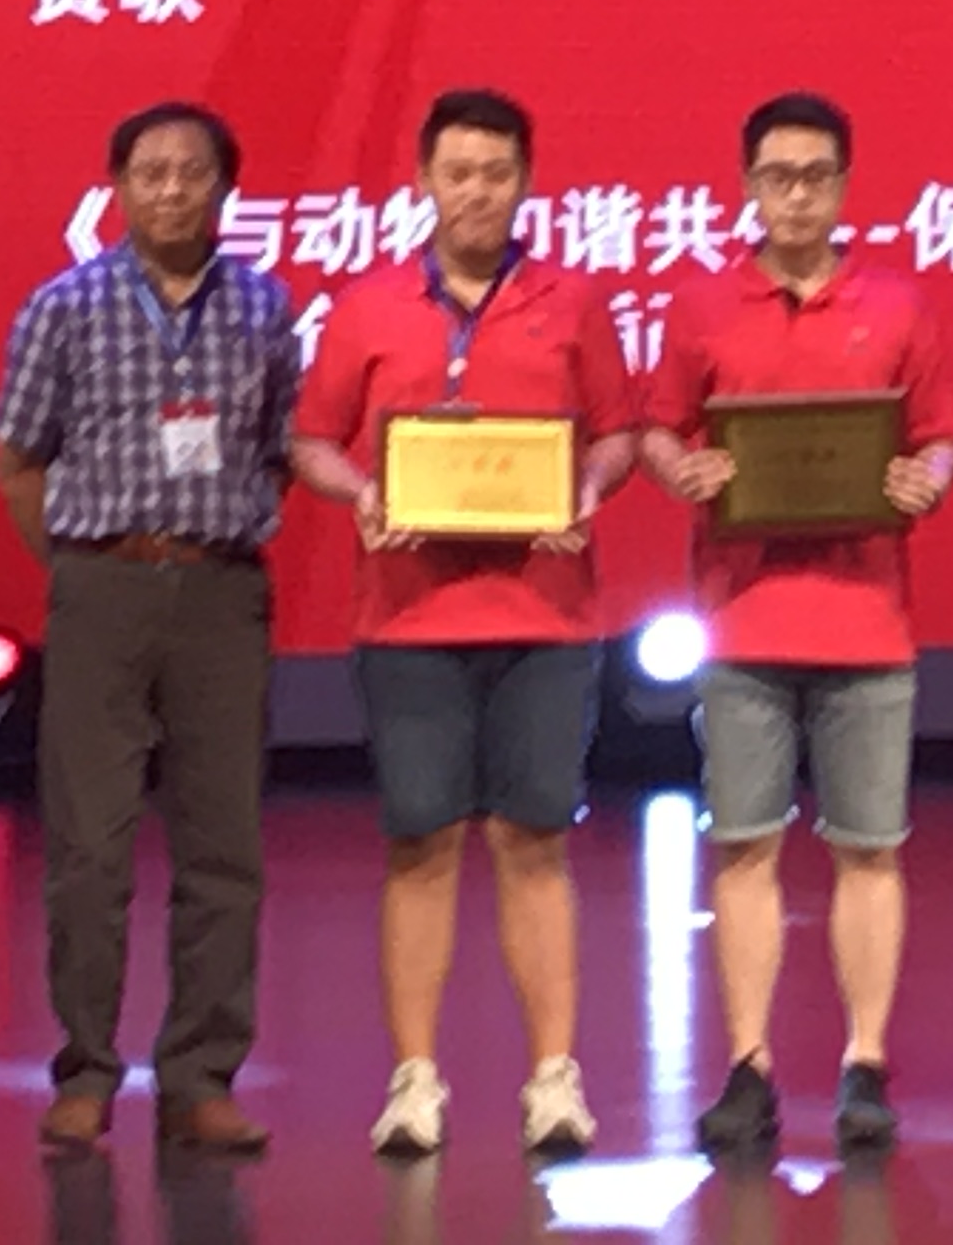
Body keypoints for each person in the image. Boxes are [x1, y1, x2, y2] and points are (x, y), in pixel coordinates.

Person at [288, 89, 641, 1163]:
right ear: (423, 181)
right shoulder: (368, 306)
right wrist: (363, 494)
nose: (476, 191)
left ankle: (553, 1079)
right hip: (407, 618)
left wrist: (587, 488)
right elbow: (312, 439)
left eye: (496, 172)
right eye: (457, 172)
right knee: (421, 843)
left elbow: (618, 432)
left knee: (535, 841)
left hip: (546, 613)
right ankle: (415, 1080)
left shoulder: (572, 301)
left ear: (525, 180)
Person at [636, 92, 953, 1158]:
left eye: (816, 176)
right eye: (777, 177)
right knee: (744, 847)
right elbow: (658, 429)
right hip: (742, 623)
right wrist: (681, 468)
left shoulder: (896, 306)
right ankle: (750, 1066)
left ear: (844, 186)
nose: (797, 196)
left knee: (870, 849)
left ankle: (865, 1063)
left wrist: (929, 477)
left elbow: (942, 435)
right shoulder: (703, 305)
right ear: (747, 187)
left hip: (868, 622)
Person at [0, 100, 298, 1157]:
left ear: (226, 189)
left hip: (220, 593)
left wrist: (205, 541)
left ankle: (201, 1077)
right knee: (90, 849)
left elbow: (279, 452)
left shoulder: (265, 307)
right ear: (118, 186)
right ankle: (85, 1072)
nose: (172, 191)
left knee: (224, 848)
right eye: (151, 173)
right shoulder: (63, 306)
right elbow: (18, 461)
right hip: (102, 588)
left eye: (192, 173)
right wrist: (84, 566)